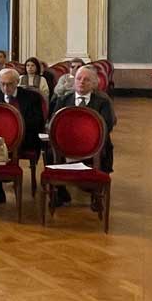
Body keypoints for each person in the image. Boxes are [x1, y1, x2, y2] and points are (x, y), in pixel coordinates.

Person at [49, 66, 116, 206]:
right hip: (66, 144)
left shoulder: (102, 102)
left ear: (94, 84)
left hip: (94, 145)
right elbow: (54, 123)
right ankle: (60, 192)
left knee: (104, 150)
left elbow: (107, 126)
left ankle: (97, 193)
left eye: (86, 80)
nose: (81, 82)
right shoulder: (63, 100)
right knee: (50, 151)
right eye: (79, 79)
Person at [0, 68, 46, 206]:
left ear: (17, 82)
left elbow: (37, 122)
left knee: (3, 147)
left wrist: (14, 126)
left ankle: (2, 182)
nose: (6, 88)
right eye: (2, 84)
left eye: (9, 84)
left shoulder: (31, 97)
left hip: (25, 138)